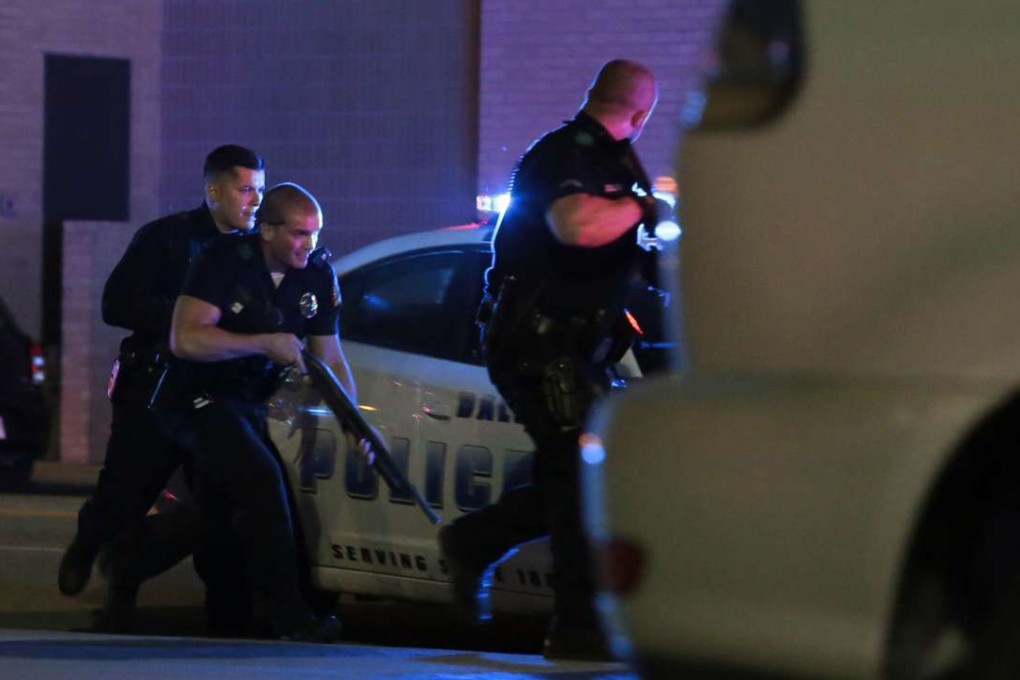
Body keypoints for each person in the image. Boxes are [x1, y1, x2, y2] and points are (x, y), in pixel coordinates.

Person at [438, 59, 660, 661]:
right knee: (573, 477)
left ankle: (475, 542)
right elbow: (574, 225)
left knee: (576, 475)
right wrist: (644, 208)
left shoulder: (614, 160)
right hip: (537, 343)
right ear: (641, 114)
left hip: (576, 347)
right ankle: (576, 627)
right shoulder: (563, 154)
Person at [58, 145, 266, 630]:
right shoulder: (167, 239)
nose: (255, 201)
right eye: (245, 189)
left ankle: (226, 613)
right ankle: (94, 552)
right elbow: (117, 303)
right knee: (126, 493)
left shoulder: (254, 251)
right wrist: (186, 318)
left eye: (260, 188)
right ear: (214, 191)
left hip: (218, 398)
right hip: (154, 389)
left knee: (218, 510)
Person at [160, 181, 363, 642]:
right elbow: (186, 339)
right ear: (267, 231)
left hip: (247, 403)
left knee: (216, 514)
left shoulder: (316, 274)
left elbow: (330, 358)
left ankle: (138, 567)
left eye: (314, 234)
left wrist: (355, 425)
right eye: (297, 234)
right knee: (263, 485)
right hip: (196, 398)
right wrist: (261, 344)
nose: (307, 245)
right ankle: (289, 616)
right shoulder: (224, 260)